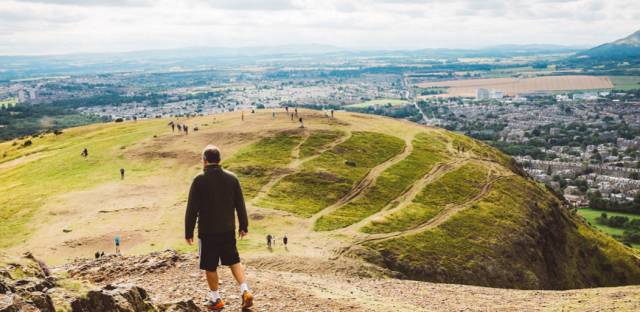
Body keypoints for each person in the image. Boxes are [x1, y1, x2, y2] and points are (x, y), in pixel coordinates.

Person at [185, 145, 253, 310]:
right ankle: (245, 290)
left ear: (205, 160)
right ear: (220, 160)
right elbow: (240, 205)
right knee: (234, 261)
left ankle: (216, 299)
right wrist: (243, 225)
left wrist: (188, 231)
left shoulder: (199, 180)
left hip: (208, 232)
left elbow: (192, 209)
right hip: (228, 230)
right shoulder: (232, 178)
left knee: (210, 265)